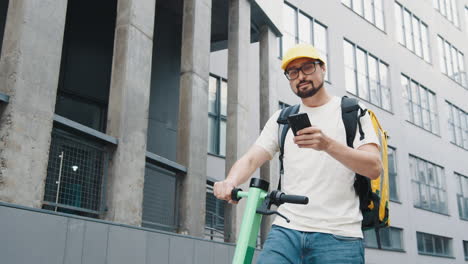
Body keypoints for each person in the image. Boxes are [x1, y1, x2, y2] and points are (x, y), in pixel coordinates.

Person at [214, 43, 381, 264]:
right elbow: (252, 158)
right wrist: (230, 181)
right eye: (293, 72)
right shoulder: (282, 119)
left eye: (307, 68)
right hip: (286, 229)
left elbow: (374, 168)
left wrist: (328, 145)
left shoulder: (352, 111)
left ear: (323, 68)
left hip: (340, 235)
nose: (300, 76)